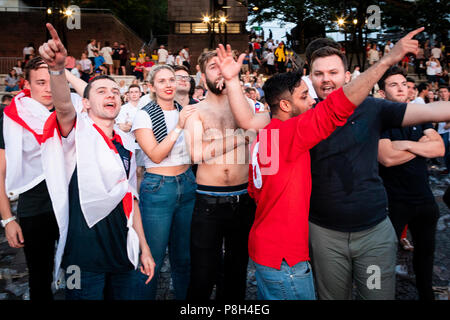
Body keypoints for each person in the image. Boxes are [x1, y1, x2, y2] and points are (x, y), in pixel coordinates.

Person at [223, 27, 450, 300]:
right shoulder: (301, 118)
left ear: (347, 76)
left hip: (372, 234)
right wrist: (232, 80)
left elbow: (431, 110)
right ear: (310, 78)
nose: (326, 80)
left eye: (333, 73)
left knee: (376, 294)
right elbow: (249, 122)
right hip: (322, 236)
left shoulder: (371, 108)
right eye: (318, 74)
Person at [38, 23, 155, 300]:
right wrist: (57, 70)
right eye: (101, 92)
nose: (111, 95)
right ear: (87, 105)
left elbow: (131, 199)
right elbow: (64, 105)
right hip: (82, 258)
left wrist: (145, 249)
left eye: (115, 92)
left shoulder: (126, 143)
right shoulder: (76, 131)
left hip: (123, 252)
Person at [0, 56, 82, 300]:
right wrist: (7, 219)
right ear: (27, 85)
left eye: (53, 81)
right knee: (39, 279)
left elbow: (94, 92)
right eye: (40, 82)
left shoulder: (75, 108)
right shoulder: (12, 117)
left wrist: (64, 74)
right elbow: (0, 172)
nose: (48, 89)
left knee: (79, 275)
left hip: (74, 204)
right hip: (35, 207)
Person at [184, 50, 256, 301]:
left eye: (224, 66)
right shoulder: (196, 112)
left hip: (243, 199)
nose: (221, 71)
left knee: (237, 270)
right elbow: (196, 153)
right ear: (203, 78)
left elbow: (262, 138)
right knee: (203, 273)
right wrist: (242, 136)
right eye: (214, 67)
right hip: (208, 201)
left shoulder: (246, 108)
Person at [130, 65, 197, 300]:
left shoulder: (187, 110)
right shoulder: (144, 114)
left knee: (184, 257)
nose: (168, 84)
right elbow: (156, 155)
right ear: (152, 87)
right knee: (152, 259)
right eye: (162, 81)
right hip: (158, 187)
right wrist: (179, 125)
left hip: (187, 183)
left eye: (172, 79)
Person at [377, 66, 444, 300]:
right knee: (381, 257)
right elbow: (386, 158)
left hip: (424, 200)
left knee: (426, 255)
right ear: (383, 93)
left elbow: (439, 147)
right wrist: (422, 147)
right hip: (393, 202)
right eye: (393, 84)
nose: (401, 88)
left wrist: (405, 146)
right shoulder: (380, 119)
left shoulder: (418, 113)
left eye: (404, 84)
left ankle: (427, 296)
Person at [437, 85, 450, 174]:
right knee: (444, 152)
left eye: (445, 91)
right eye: (441, 92)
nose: (443, 94)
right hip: (440, 131)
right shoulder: (437, 104)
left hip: (448, 131)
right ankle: (447, 168)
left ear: (449, 93)